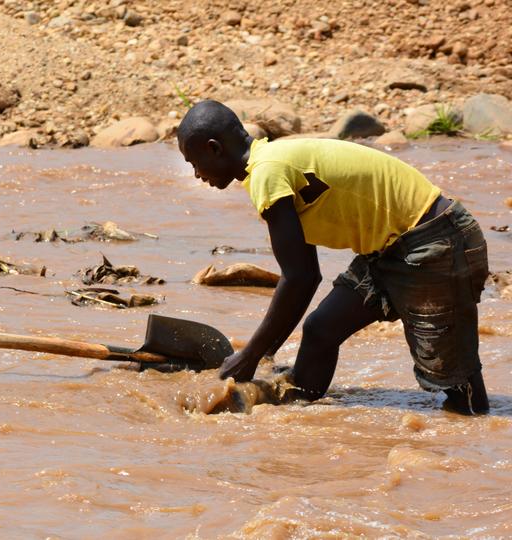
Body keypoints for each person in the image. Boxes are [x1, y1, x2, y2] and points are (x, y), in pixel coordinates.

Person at [177, 99, 490, 414]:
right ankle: (296, 416)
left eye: (193, 162)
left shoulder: (267, 173)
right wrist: (265, 353)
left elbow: (299, 278)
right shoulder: (272, 163)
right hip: (391, 248)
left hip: (435, 242)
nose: (195, 174)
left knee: (457, 385)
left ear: (214, 149)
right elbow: (306, 274)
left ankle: (474, 437)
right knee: (320, 331)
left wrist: (251, 355)